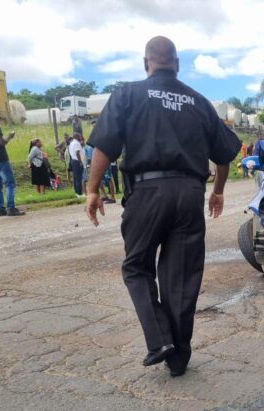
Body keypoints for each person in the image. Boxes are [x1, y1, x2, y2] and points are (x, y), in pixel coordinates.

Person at [85, 36, 241, 377]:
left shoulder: (128, 93)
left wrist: (92, 190)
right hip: (189, 193)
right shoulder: (199, 102)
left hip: (147, 192)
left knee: (137, 267)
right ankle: (178, 359)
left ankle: (159, 340)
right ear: (178, 64)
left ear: (146, 64)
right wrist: (217, 191)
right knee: (181, 277)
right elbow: (225, 154)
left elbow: (104, 147)